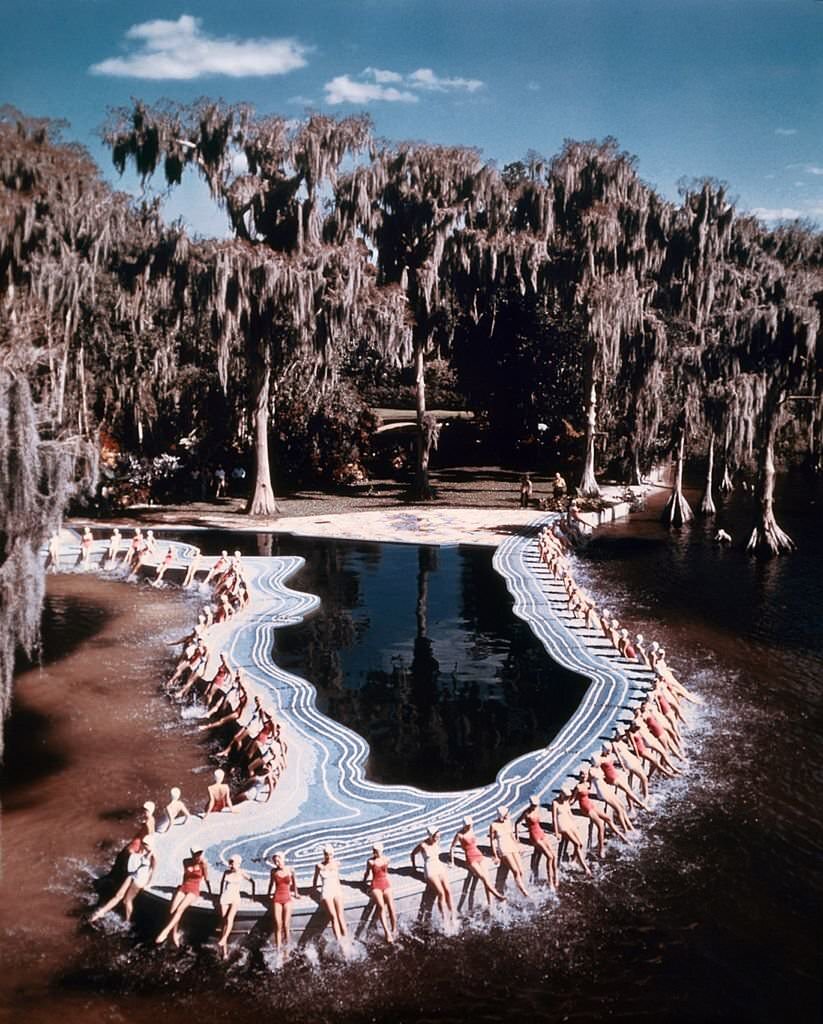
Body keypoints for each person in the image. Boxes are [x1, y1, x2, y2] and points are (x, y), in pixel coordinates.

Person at [90, 835, 157, 924]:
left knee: (127, 900)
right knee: (118, 895)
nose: (145, 846)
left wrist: (148, 882)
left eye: (147, 844)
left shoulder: (153, 856)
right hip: (133, 874)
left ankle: (127, 921)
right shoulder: (142, 850)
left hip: (139, 879)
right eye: (144, 843)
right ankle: (101, 913)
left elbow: (152, 869)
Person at [156, 849, 212, 947]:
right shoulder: (185, 861)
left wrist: (210, 893)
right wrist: (180, 887)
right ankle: (174, 934)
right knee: (172, 910)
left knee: (180, 909)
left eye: (200, 854)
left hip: (194, 890)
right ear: (192, 854)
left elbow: (206, 879)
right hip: (184, 887)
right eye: (196, 854)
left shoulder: (203, 864)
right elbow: (185, 876)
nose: (198, 856)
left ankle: (166, 931)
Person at [448, 817, 505, 905]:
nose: (470, 826)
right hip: (471, 858)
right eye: (468, 825)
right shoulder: (459, 835)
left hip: (478, 855)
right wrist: (451, 861)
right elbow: (452, 847)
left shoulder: (471, 830)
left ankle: (490, 903)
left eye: (470, 824)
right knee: (483, 878)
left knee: (487, 879)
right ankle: (497, 895)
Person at [411, 826, 455, 927]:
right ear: (431, 836)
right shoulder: (423, 845)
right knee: (441, 893)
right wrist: (414, 868)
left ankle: (453, 915)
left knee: (448, 890)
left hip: (439, 866)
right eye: (436, 836)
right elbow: (412, 854)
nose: (438, 838)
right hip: (430, 869)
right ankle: (445, 919)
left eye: (438, 836)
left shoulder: (436, 841)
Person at [514, 796, 558, 889]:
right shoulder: (526, 813)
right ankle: (550, 882)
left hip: (541, 833)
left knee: (554, 855)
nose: (534, 807)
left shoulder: (537, 809)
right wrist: (517, 836)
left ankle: (556, 877)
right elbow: (516, 823)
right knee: (549, 857)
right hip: (535, 837)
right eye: (533, 805)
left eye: (536, 805)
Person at [217, 854, 255, 958]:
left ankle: (224, 939)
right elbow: (222, 884)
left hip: (235, 898)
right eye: (231, 863)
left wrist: (252, 896)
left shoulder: (242, 873)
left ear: (238, 864)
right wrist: (220, 895)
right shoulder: (226, 873)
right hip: (225, 897)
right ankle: (224, 953)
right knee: (224, 922)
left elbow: (252, 881)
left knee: (229, 918)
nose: (232, 865)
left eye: (234, 863)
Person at [489, 806, 529, 898]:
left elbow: (512, 835)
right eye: (507, 813)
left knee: (521, 871)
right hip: (504, 848)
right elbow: (492, 841)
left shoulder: (508, 822)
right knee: (515, 871)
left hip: (512, 846)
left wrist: (518, 847)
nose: (509, 814)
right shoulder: (493, 825)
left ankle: (518, 888)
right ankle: (525, 893)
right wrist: (495, 855)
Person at [551, 785, 592, 876]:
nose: (566, 798)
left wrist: (574, 823)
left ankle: (574, 860)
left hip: (569, 822)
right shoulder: (555, 803)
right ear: (561, 795)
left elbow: (569, 812)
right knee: (576, 844)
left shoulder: (566, 801)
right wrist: (556, 832)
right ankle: (585, 868)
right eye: (565, 797)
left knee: (580, 843)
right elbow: (554, 817)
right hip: (562, 825)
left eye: (568, 797)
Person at [312, 846, 348, 945]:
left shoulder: (337, 864)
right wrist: (313, 890)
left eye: (330, 854)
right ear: (324, 855)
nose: (328, 856)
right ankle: (339, 941)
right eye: (326, 854)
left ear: (333, 854)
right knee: (333, 916)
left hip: (336, 890)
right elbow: (315, 879)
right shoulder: (319, 866)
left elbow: (337, 879)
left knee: (340, 916)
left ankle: (346, 939)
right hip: (327, 891)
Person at [363, 842, 398, 943]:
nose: (375, 853)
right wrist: (364, 881)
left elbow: (386, 873)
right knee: (381, 906)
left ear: (381, 851)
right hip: (376, 885)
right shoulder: (371, 862)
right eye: (374, 851)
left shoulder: (386, 859)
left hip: (385, 883)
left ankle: (394, 929)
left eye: (377, 851)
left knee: (391, 906)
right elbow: (367, 872)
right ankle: (387, 932)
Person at [268, 851, 300, 957]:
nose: (277, 863)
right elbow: (271, 883)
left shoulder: (290, 870)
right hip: (277, 898)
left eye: (279, 860)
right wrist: (268, 894)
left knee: (286, 925)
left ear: (283, 859)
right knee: (278, 925)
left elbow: (295, 882)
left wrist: (296, 893)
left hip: (287, 898)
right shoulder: (273, 871)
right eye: (275, 861)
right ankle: (278, 949)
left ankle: (287, 949)